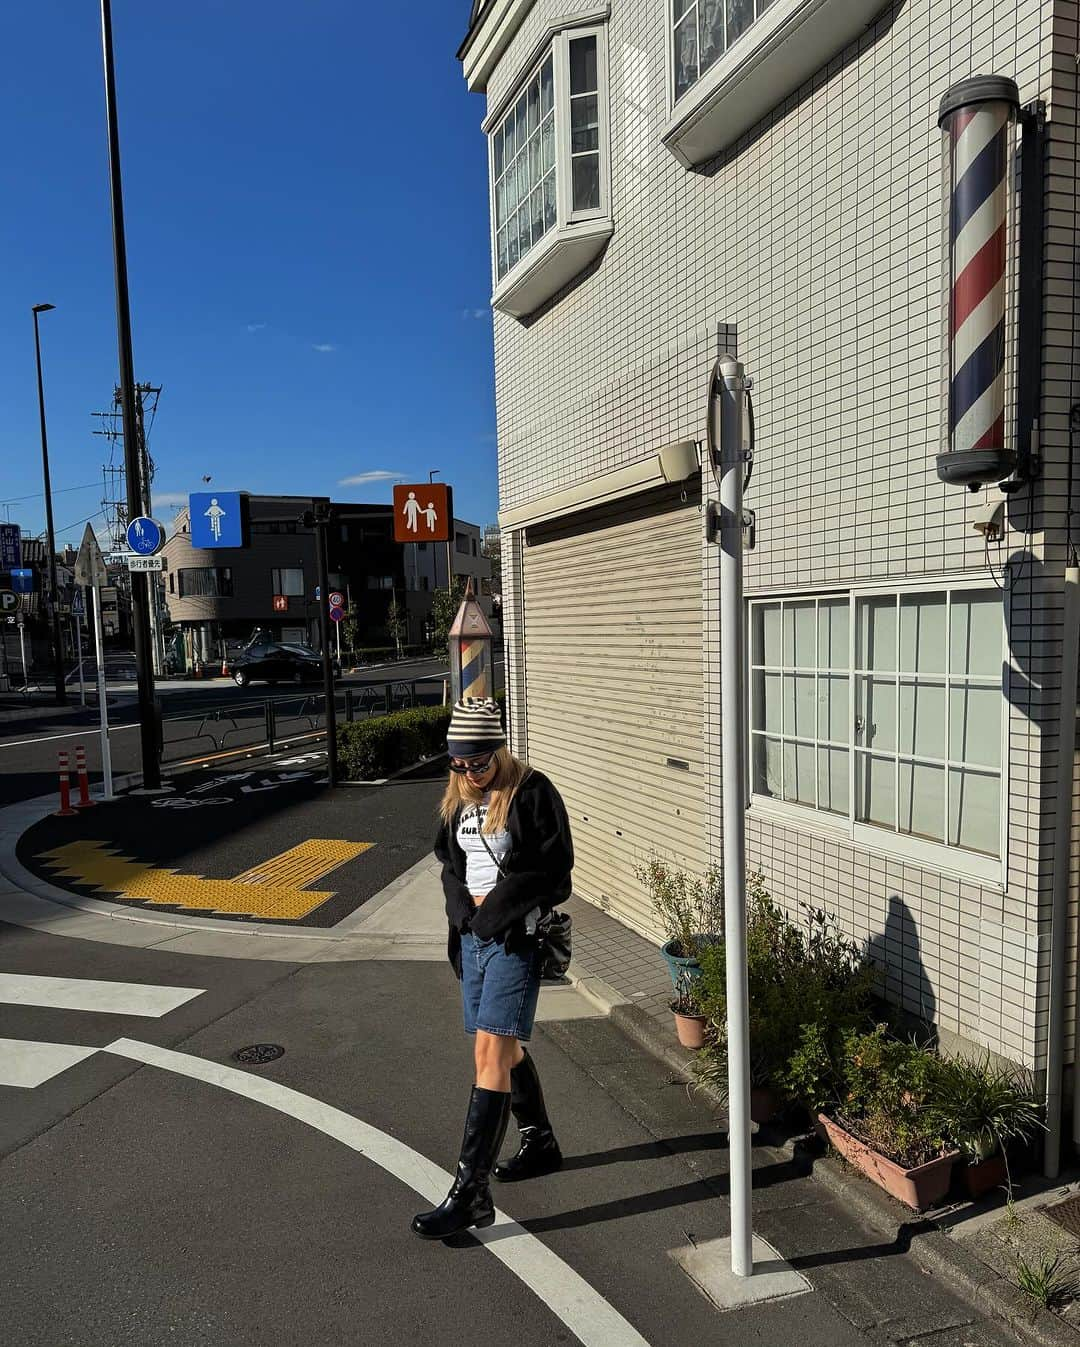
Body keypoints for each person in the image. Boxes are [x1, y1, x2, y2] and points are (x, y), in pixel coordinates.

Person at [411, 697, 574, 1241]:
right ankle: (541, 1140)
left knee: (489, 1052)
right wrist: (463, 916)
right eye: (459, 764)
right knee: (503, 1049)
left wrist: (497, 911)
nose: (469, 773)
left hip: (514, 939)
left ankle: (471, 1193)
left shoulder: (531, 791)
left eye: (478, 763)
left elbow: (555, 873)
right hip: (475, 941)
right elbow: (448, 865)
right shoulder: (459, 799)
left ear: (498, 752)